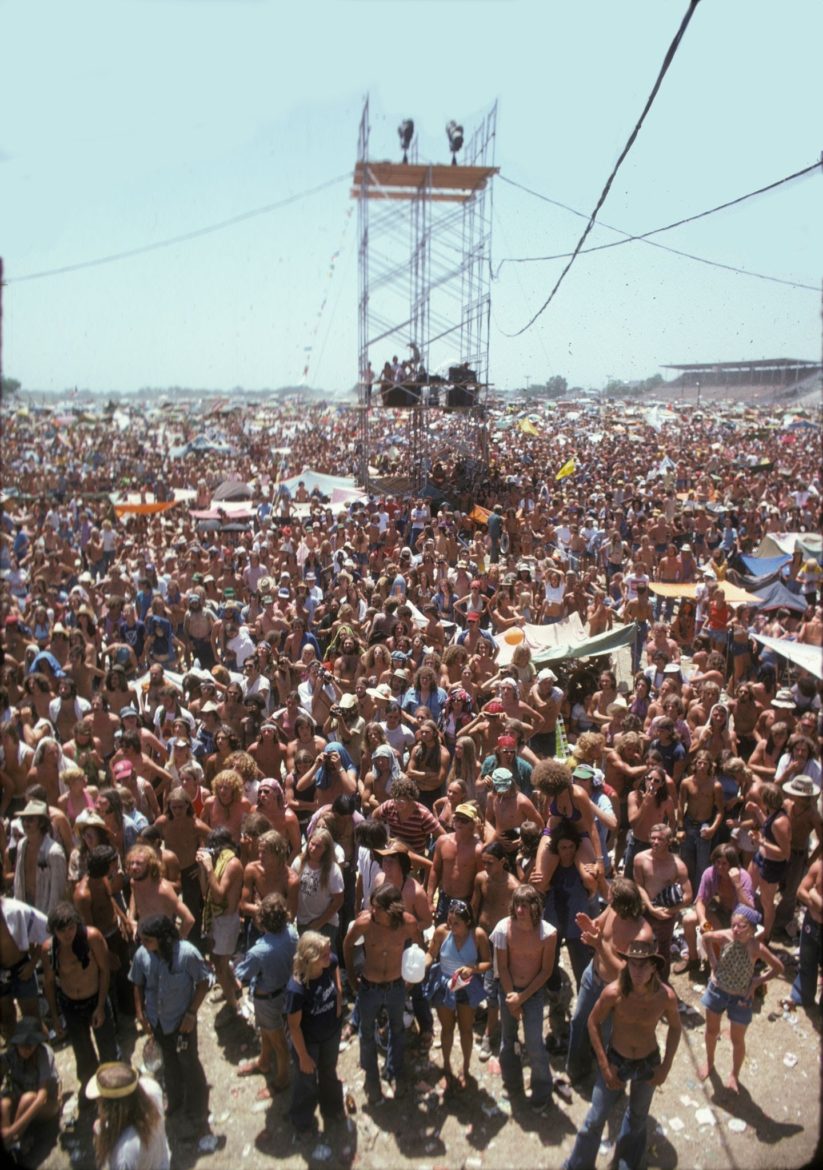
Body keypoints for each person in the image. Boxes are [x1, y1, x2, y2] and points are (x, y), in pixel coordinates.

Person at [563, 940, 681, 1170]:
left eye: (643, 966)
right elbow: (592, 1022)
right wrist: (605, 1066)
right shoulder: (614, 992)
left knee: (637, 1118)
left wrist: (665, 1066)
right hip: (617, 1059)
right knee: (595, 1119)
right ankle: (577, 1165)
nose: (637, 971)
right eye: (633, 965)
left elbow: (676, 1027)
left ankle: (626, 1163)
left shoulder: (665, 996)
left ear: (653, 968)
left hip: (648, 1061)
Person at [128, 914, 210, 1139]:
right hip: (157, 1023)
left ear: (162, 938)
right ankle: (174, 1101)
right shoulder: (142, 955)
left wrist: (192, 1014)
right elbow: (137, 982)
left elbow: (204, 983)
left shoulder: (186, 954)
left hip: (181, 1024)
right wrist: (139, 1011)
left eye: (148, 940)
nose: (143, 944)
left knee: (189, 1062)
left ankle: (197, 1108)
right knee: (169, 1063)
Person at [566, 877, 653, 1084]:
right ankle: (576, 1068)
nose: (607, 899)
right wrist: (590, 926)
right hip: (592, 977)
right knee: (580, 1022)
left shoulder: (642, 934)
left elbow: (627, 972)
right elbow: (599, 924)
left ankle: (609, 1079)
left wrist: (598, 945)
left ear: (623, 904)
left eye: (612, 898)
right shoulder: (612, 909)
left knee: (607, 1036)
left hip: (615, 991)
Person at [343, 884, 419, 1105]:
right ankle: (371, 1076)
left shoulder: (407, 923)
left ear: (391, 909)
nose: (372, 910)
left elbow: (418, 946)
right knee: (366, 1032)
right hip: (370, 986)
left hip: (396, 986)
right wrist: (350, 976)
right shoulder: (364, 923)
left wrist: (411, 976)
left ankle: (394, 1071)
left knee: (397, 1029)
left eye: (377, 908)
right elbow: (347, 945)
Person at [699, 904, 784, 1092]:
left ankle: (734, 1075)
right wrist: (712, 960)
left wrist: (756, 982)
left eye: (741, 926)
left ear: (753, 930)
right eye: (733, 924)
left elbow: (778, 967)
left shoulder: (756, 948)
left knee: (738, 1040)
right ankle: (709, 1062)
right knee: (711, 1031)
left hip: (741, 998)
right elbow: (705, 937)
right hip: (717, 991)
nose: (735, 929)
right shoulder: (725, 936)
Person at [41, 902, 119, 1100]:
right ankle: (89, 1090)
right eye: (62, 930)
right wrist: (56, 1017)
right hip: (70, 1004)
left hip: (94, 999)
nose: (68, 934)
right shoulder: (49, 949)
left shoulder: (91, 937)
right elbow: (49, 983)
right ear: (54, 931)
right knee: (82, 1052)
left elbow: (104, 970)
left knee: (108, 1049)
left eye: (71, 928)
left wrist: (101, 1006)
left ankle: (115, 1092)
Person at [490, 884, 557, 1113]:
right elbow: (503, 966)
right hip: (508, 989)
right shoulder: (502, 929)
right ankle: (513, 1081)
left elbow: (546, 971)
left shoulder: (547, 933)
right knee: (508, 1039)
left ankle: (542, 1088)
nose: (520, 910)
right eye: (517, 904)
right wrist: (512, 998)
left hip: (533, 993)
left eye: (525, 905)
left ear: (535, 907)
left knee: (534, 1041)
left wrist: (521, 999)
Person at [424, 898, 491, 1090]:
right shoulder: (441, 932)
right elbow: (431, 953)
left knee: (466, 1029)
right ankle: (446, 1066)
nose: (451, 926)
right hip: (444, 984)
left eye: (456, 924)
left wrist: (473, 968)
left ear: (467, 923)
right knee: (446, 1028)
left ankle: (466, 1067)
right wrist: (422, 965)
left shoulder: (478, 935)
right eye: (449, 921)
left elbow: (488, 963)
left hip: (466, 986)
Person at [234, 892, 298, 1095]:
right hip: (284, 992)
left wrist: (229, 972)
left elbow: (241, 977)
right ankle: (263, 1061)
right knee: (267, 1031)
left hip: (266, 999)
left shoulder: (259, 951)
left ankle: (282, 1079)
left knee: (278, 1041)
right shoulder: (292, 933)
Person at [284, 930, 345, 1136]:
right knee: (306, 1080)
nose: (329, 956)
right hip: (309, 1042)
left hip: (330, 1033)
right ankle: (302, 1119)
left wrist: (338, 994)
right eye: (324, 954)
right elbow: (294, 1026)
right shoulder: (297, 988)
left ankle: (332, 1108)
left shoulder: (328, 963)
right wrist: (303, 1056)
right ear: (311, 958)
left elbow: (336, 965)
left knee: (329, 1072)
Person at [197, 826, 244, 1021]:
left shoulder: (231, 864)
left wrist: (208, 868)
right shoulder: (218, 863)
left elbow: (218, 895)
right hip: (215, 919)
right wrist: (203, 869)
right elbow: (205, 893)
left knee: (220, 966)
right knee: (218, 960)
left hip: (226, 921)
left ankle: (234, 1006)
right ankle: (234, 987)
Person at [86, 1060, 170, 1170]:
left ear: (113, 1109)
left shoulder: (124, 1153)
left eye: (100, 1102)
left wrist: (103, 1135)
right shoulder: (152, 1088)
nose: (99, 1108)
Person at [0, 1016, 61, 1158]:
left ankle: (14, 1139)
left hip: (46, 1104)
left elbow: (41, 1097)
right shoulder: (10, 1055)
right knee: (3, 1104)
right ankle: (12, 1143)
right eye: (23, 1045)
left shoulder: (44, 1054)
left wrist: (12, 1131)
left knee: (28, 1099)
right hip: (20, 1097)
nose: (27, 1049)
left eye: (31, 1044)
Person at [0, 895, 49, 1040]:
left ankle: (45, 1058)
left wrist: (32, 963)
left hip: (21, 968)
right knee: (7, 1021)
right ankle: (15, 1060)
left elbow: (44, 929)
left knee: (33, 1019)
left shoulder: (14, 910)